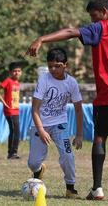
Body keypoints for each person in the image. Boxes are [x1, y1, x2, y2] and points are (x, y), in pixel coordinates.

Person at [26, 0, 108, 202]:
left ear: (105, 12)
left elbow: (72, 32)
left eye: (94, 16)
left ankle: (97, 189)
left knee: (100, 137)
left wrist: (42, 38)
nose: (92, 21)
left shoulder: (102, 27)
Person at [27, 48, 83, 199]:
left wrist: (79, 135)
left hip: (60, 125)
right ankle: (38, 171)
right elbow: (35, 109)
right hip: (40, 124)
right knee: (32, 163)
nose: (53, 69)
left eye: (57, 66)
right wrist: (41, 130)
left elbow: (78, 110)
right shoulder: (44, 80)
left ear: (66, 65)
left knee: (67, 155)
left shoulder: (71, 83)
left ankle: (70, 188)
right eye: (50, 66)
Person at [0, 62, 22, 159]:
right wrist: (3, 102)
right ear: (10, 72)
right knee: (15, 131)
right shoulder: (8, 81)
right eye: (14, 71)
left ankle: (13, 152)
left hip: (16, 110)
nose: (17, 73)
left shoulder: (17, 83)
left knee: (15, 131)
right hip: (10, 111)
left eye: (18, 71)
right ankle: (12, 153)